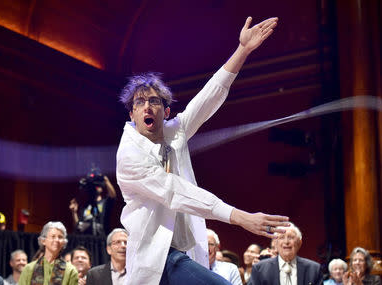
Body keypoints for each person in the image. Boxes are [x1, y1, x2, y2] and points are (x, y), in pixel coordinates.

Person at [116, 16, 290, 285]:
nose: (147, 106)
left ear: (166, 111)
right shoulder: (130, 154)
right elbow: (175, 192)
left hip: (182, 253)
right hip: (160, 259)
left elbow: (209, 97)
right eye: (140, 103)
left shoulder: (175, 131)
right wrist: (240, 217)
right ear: (132, 114)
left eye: (154, 101)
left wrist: (242, 50)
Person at [247, 222, 323, 285]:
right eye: (281, 237)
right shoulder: (260, 269)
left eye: (291, 237)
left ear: (299, 243)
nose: (286, 242)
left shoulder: (314, 269)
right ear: (276, 243)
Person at [69, 170, 116, 236]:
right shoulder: (85, 205)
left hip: (102, 240)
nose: (96, 186)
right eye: (94, 184)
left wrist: (105, 180)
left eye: (98, 184)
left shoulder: (105, 203)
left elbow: (112, 196)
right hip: (87, 241)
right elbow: (78, 227)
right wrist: (74, 212)